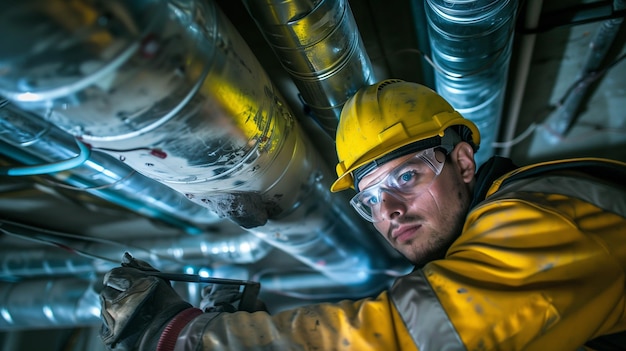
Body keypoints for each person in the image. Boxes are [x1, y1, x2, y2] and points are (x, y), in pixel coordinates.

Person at [99, 79, 626, 351]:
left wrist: (183, 336)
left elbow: (403, 335)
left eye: (405, 178)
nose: (389, 211)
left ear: (463, 163)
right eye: (369, 200)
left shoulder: (545, 216)